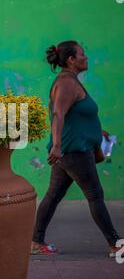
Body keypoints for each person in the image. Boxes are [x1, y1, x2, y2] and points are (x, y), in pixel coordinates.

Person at [31, 40, 122, 258]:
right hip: (73, 152)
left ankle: (36, 241)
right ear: (71, 60)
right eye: (82, 54)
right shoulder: (66, 83)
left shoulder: (71, 81)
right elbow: (58, 114)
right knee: (95, 195)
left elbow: (75, 115)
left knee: (53, 196)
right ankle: (115, 244)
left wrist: (96, 131)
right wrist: (57, 146)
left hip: (70, 150)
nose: (86, 57)